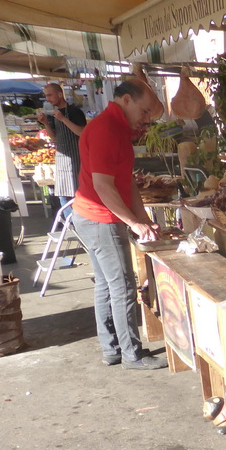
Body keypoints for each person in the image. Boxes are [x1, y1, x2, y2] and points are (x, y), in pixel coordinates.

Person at [72, 79, 166, 370]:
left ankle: (112, 348)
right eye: (145, 110)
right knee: (122, 287)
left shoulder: (116, 128)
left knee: (106, 284)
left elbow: (127, 183)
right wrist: (133, 224)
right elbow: (103, 186)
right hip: (101, 219)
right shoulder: (106, 129)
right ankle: (131, 354)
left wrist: (142, 218)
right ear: (127, 100)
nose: (147, 117)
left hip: (92, 217)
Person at [36, 82, 86, 218]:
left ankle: (79, 222)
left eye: (50, 95)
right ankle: (71, 224)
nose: (48, 98)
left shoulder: (75, 112)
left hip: (76, 158)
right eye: (46, 96)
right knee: (63, 195)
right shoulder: (53, 115)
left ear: (60, 94)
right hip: (61, 158)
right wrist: (45, 122)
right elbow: (54, 138)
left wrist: (63, 119)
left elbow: (81, 132)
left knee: (76, 194)